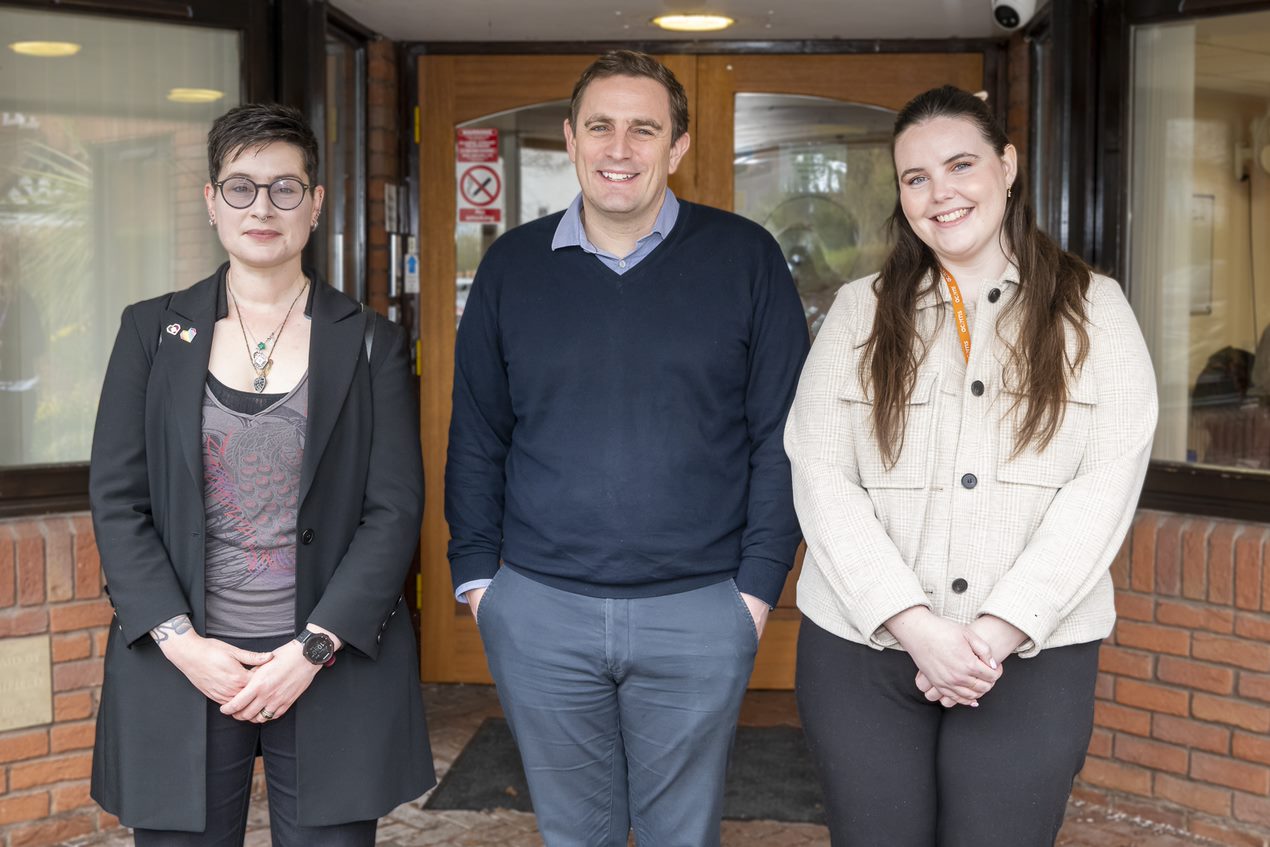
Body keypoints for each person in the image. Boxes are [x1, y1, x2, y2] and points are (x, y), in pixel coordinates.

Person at [445, 50, 809, 847]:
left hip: (702, 606)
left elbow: (782, 437)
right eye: (601, 126)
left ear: (677, 147)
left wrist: (753, 590)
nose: (621, 148)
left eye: (644, 128)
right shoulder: (510, 266)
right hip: (539, 607)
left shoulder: (746, 259)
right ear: (571, 139)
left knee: (683, 834)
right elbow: (478, 432)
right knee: (576, 835)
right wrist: (479, 579)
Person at [785, 85, 1157, 847]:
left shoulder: (1097, 310)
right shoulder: (859, 311)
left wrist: (992, 632)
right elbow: (820, 475)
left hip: (1031, 654)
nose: (940, 193)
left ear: (1007, 166)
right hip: (865, 647)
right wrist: (917, 627)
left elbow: (1105, 486)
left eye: (960, 165)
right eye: (916, 177)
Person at [88, 103, 434, 845]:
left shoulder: (370, 341)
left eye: (285, 188)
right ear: (211, 202)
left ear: (314, 205)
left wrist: (312, 648)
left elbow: (395, 509)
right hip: (183, 667)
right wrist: (183, 642)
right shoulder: (151, 332)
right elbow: (119, 501)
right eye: (241, 187)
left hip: (328, 665)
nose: (263, 207)